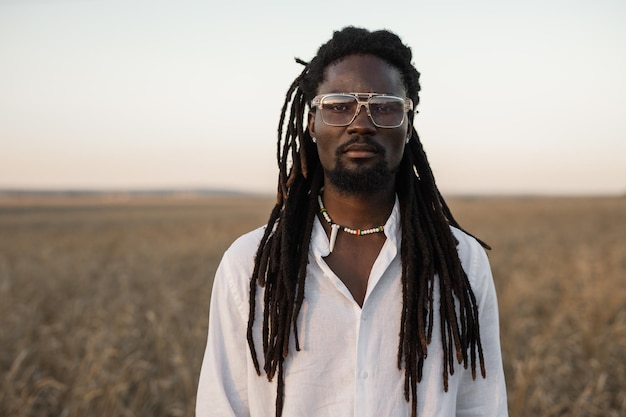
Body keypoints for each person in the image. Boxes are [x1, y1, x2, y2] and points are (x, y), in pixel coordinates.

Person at [196, 26, 508, 417]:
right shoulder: (249, 265)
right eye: (339, 105)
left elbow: (481, 405)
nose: (361, 122)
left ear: (408, 125)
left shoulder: (462, 261)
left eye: (384, 106)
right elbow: (223, 406)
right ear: (312, 123)